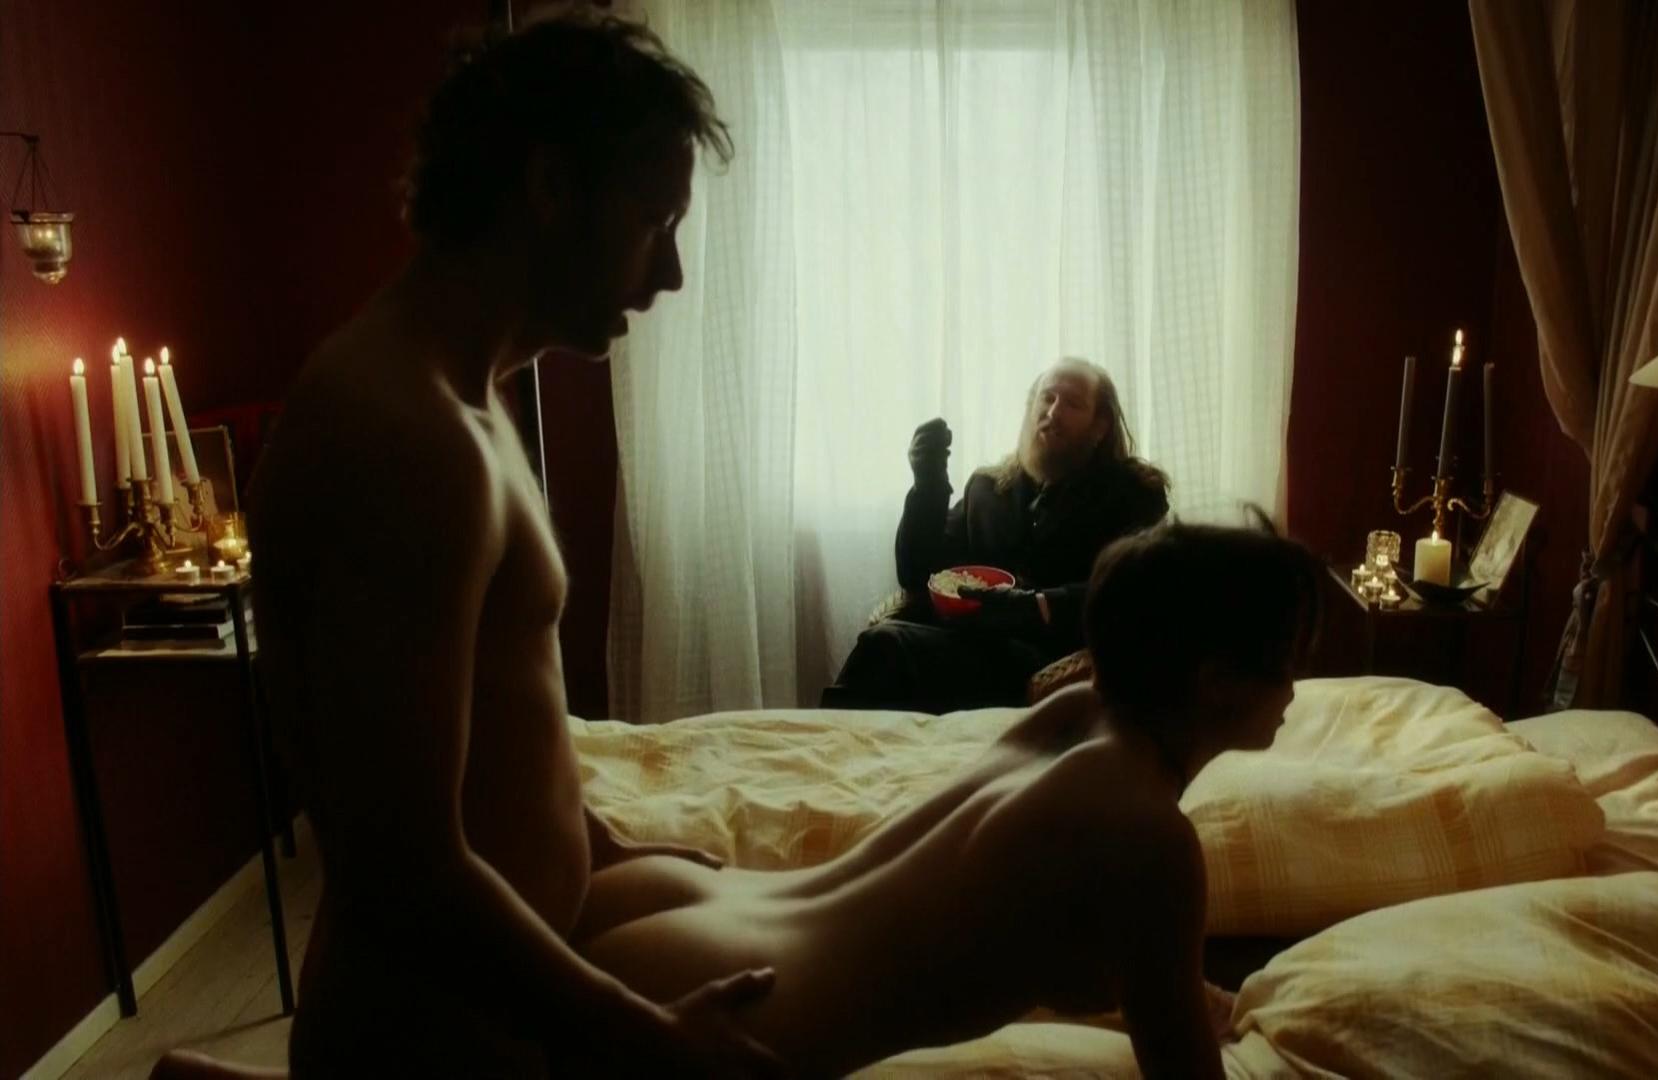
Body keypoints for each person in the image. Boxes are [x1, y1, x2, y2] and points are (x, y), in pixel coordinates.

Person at [160, 11, 786, 1078]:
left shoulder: (472, 398)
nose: (671, 274)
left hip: (501, 983)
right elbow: (400, 868)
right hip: (433, 1037)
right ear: (550, 189)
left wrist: (605, 845)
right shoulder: (402, 435)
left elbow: (501, 727)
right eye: (653, 221)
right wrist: (646, 1038)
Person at [580, 514, 1321, 1078]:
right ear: (1216, 684)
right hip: (732, 1010)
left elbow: (1018, 909)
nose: (1298, 688)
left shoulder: (1074, 715)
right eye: (1287, 663)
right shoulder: (1153, 838)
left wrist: (1174, 981)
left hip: (685, 902)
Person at [820, 358, 1169, 713]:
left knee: (886, 647)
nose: (1054, 412)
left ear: (1100, 426)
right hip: (963, 644)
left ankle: (831, 738)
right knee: (885, 651)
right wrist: (928, 484)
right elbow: (917, 573)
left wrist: (1033, 606)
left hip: (1047, 662)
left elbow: (1136, 593)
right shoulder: (988, 487)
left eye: (1073, 404)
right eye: (1047, 398)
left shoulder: (1133, 494)